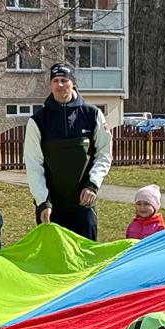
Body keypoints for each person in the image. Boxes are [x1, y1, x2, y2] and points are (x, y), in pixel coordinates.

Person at [23, 62, 113, 240]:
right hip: (51, 207)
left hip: (83, 204)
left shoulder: (92, 114)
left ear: (73, 83)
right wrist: (42, 202)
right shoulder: (38, 121)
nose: (60, 85)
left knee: (86, 253)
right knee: (53, 255)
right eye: (55, 80)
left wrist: (92, 185)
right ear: (51, 84)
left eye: (64, 80)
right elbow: (33, 164)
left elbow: (104, 153)